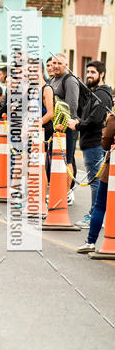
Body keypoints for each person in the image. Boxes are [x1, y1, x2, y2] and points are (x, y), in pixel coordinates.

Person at [67, 60, 113, 227]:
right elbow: (86, 115)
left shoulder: (101, 95)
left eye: (93, 72)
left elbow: (94, 119)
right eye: (88, 72)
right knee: (98, 182)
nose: (89, 75)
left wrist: (78, 125)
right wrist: (75, 120)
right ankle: (97, 215)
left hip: (94, 143)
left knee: (95, 182)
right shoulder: (94, 93)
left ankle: (94, 216)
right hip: (89, 143)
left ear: (101, 74)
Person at [77, 110, 115, 254]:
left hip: (111, 171)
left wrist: (106, 125)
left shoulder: (113, 119)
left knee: (100, 206)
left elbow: (105, 143)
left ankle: (91, 241)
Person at [51, 53, 79, 203]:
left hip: (68, 127)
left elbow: (71, 106)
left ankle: (67, 193)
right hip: (56, 128)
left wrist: (65, 125)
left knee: (67, 160)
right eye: (54, 62)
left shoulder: (70, 81)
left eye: (59, 63)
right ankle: (58, 192)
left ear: (66, 65)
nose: (56, 66)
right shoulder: (53, 80)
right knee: (57, 160)